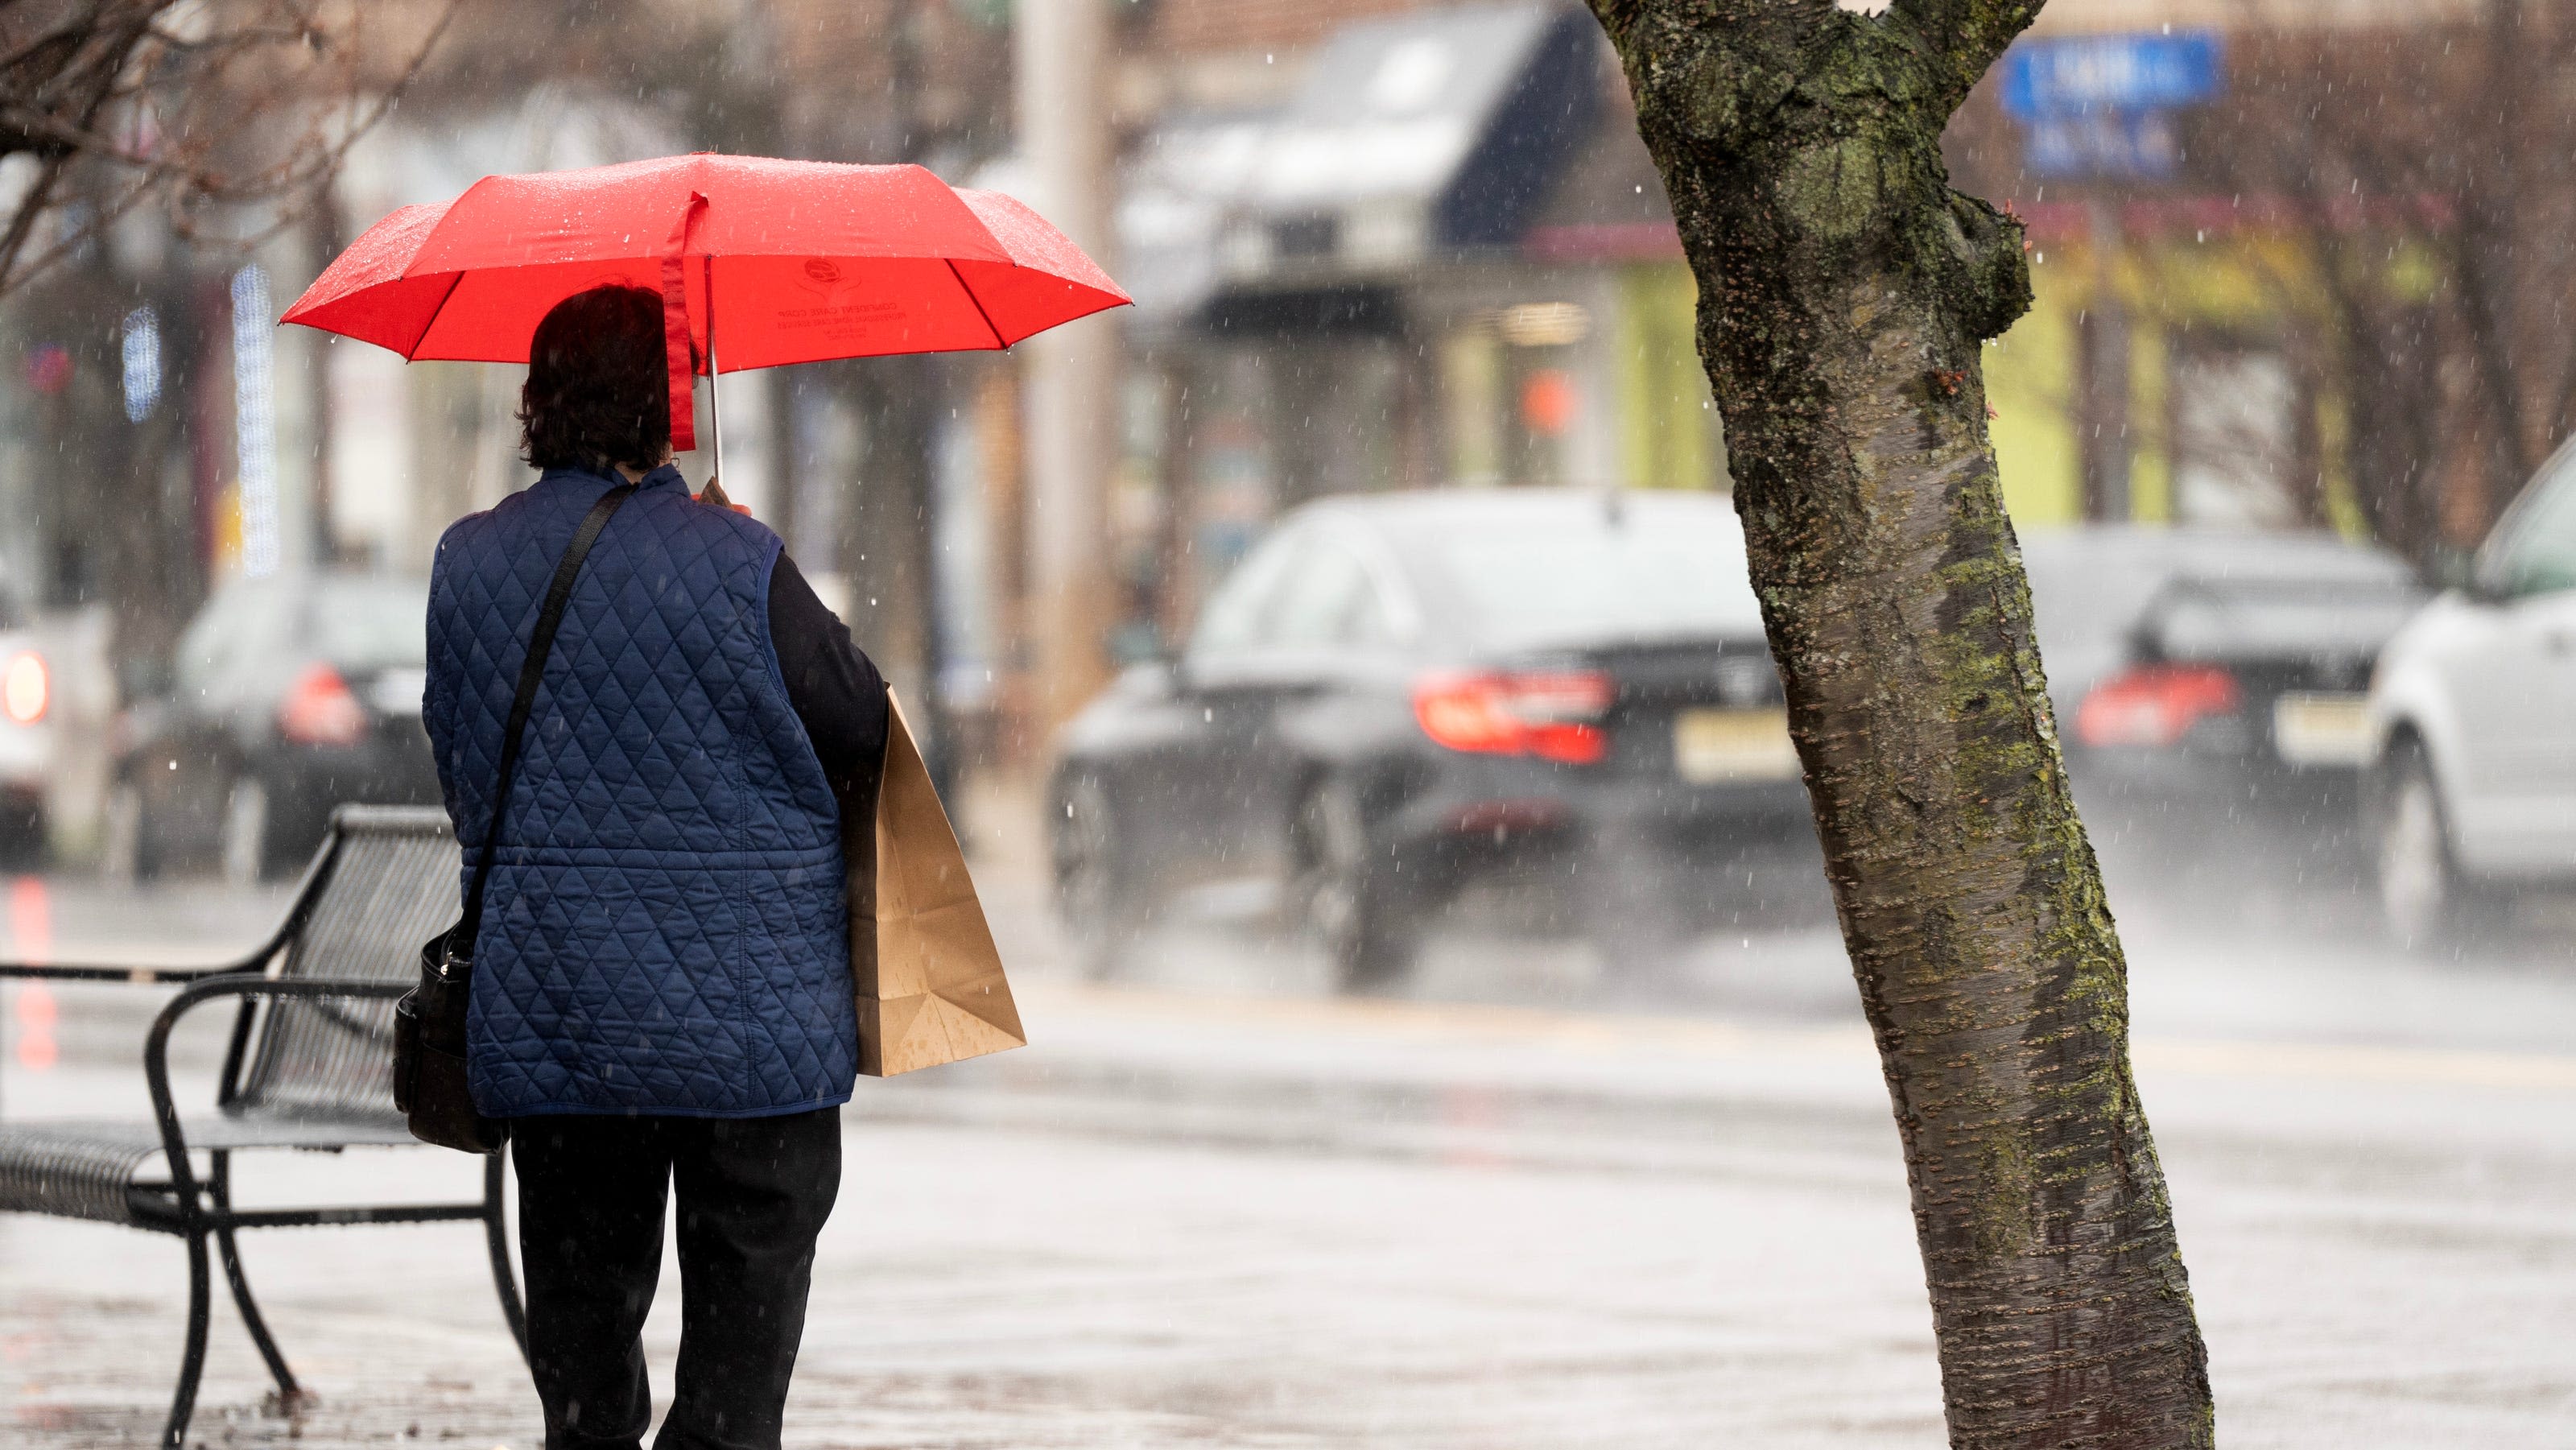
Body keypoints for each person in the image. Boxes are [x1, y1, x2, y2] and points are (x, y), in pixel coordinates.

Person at [422, 283, 886, 1450]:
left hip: (563, 1024)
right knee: (737, 1390)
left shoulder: (466, 566)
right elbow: (863, 727)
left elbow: (461, 758)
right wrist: (732, 557)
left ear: (537, 403)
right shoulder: (742, 560)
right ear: (668, 408)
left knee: (584, 1383)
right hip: (751, 1035)